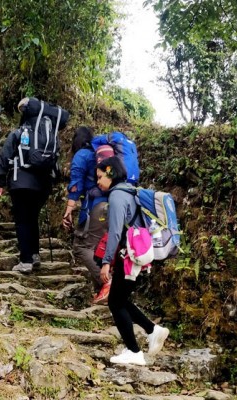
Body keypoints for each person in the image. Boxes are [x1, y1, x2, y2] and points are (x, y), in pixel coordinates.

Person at [96, 156, 169, 366]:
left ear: (110, 173)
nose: (98, 182)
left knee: (115, 302)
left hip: (130, 257)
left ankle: (134, 351)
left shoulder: (118, 196)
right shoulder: (129, 192)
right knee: (121, 300)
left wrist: (106, 262)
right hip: (138, 255)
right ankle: (152, 330)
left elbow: (115, 232)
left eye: (101, 177)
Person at [0, 98, 58, 273]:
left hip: (21, 182)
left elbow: (5, 156)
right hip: (43, 184)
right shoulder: (50, 135)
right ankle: (35, 255)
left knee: (23, 220)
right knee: (32, 218)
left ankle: (26, 260)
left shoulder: (19, 132)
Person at [62, 126, 110, 303]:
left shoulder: (82, 155)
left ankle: (107, 282)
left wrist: (69, 209)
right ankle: (101, 291)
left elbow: (76, 184)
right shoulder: (99, 153)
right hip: (111, 205)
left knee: (81, 247)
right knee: (98, 249)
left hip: (95, 208)